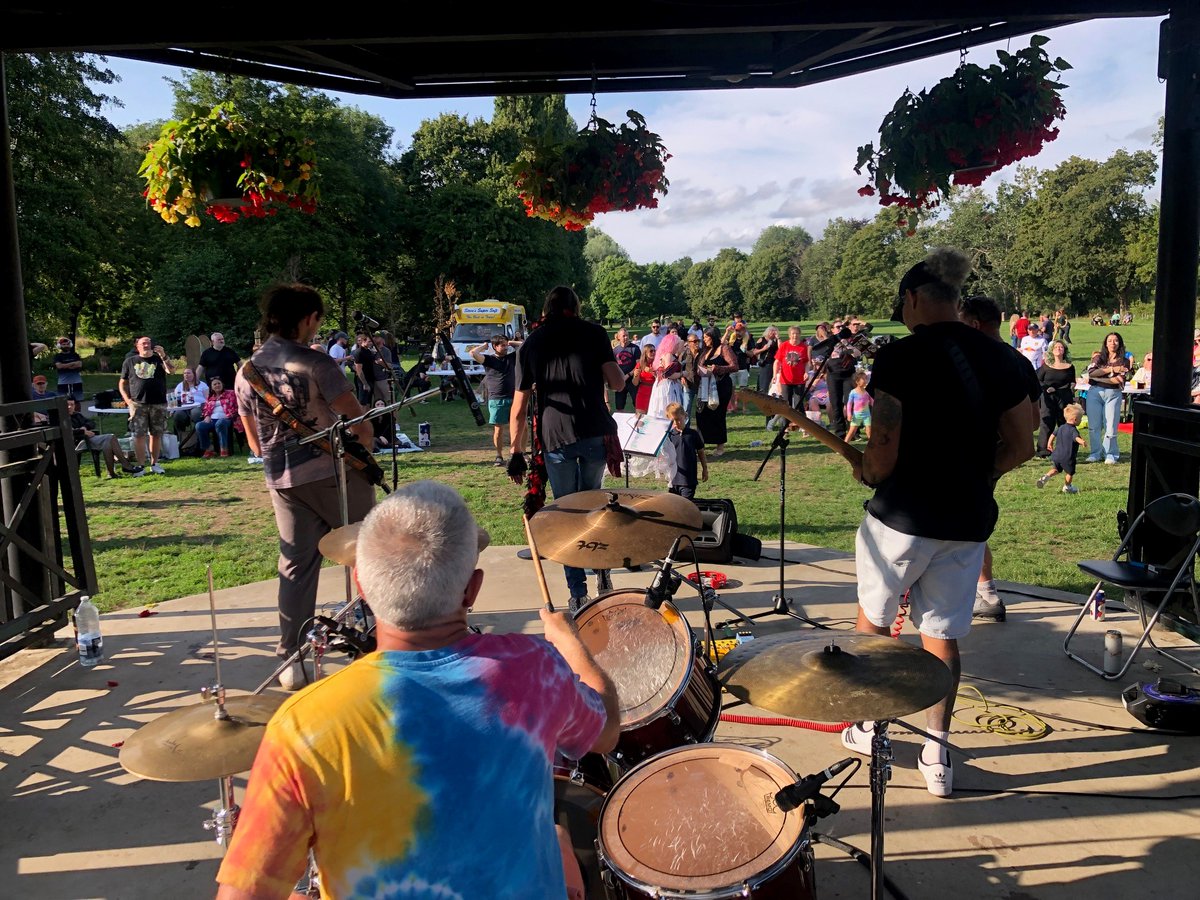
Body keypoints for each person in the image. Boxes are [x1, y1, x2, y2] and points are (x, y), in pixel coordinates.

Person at [215, 481, 619, 900]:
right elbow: (605, 731)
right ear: (472, 589)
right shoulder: (537, 668)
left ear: (363, 586)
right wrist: (570, 643)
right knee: (557, 836)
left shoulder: (303, 727)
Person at [841, 249, 1033, 797]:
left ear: (914, 298)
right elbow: (1022, 444)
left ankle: (868, 727)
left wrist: (870, 470)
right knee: (942, 635)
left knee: (874, 625)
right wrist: (976, 476)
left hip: (901, 517)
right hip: (967, 521)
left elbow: (882, 448)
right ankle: (938, 754)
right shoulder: (1004, 359)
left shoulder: (901, 357)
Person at [235, 284, 376, 690]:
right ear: (309, 319)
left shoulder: (246, 372)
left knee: (295, 567)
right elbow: (358, 423)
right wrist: (364, 452)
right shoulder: (317, 364)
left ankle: (290, 660)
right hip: (334, 476)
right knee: (371, 554)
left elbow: (254, 443)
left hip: (281, 480)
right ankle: (390, 637)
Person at [509, 286, 625, 610]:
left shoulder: (531, 344)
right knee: (593, 507)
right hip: (594, 433)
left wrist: (515, 451)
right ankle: (602, 572)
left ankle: (577, 594)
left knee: (566, 515)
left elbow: (519, 407)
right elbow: (617, 383)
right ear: (576, 306)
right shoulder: (594, 333)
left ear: (546, 308)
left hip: (555, 437)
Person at [956, 294, 1041, 623]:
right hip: (999, 455)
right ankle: (982, 591)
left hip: (970, 456)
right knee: (971, 523)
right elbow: (1033, 421)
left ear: (974, 323)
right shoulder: (1018, 360)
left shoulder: (973, 360)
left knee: (964, 527)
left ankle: (985, 593)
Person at [119, 336, 173, 476]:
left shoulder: (158, 359)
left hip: (158, 403)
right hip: (138, 404)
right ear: (137, 346)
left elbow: (171, 371)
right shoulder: (130, 361)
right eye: (143, 343)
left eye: (148, 343)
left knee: (156, 434)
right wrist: (128, 401)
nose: (146, 345)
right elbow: (122, 383)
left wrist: (163, 355)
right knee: (139, 435)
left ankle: (154, 464)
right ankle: (141, 465)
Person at [469, 334, 521, 467]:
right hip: (497, 399)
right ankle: (499, 456)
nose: (505, 347)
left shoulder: (512, 357)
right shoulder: (489, 360)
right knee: (499, 429)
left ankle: (518, 453)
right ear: (495, 346)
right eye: (502, 345)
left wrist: (511, 342)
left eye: (505, 345)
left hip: (514, 397)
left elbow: (525, 346)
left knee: (521, 427)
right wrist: (484, 346)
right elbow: (473, 353)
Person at [1084, 332, 1131, 465]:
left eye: (1116, 341)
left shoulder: (1124, 361)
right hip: (1094, 393)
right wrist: (1111, 369)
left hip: (1113, 394)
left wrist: (1098, 376)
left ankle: (1110, 453)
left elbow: (1119, 380)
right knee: (1094, 425)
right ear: (1106, 343)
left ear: (1120, 343)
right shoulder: (1099, 358)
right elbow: (1090, 372)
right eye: (1110, 340)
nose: (1112, 343)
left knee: (1110, 425)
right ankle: (1095, 453)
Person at [67, 399, 143, 478]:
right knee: (110, 438)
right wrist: (82, 432)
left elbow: (91, 423)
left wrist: (85, 427)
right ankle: (125, 465)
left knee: (108, 443)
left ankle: (112, 473)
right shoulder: (62, 418)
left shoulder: (77, 415)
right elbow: (67, 431)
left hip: (87, 439)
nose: (70, 407)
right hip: (78, 442)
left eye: (72, 405)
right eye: (67, 404)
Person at [694, 327, 738, 456]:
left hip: (721, 386)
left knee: (718, 414)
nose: (704, 339)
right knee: (701, 413)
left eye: (707, 337)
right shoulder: (705, 351)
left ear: (713, 337)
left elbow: (735, 366)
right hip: (705, 386)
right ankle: (701, 443)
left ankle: (720, 446)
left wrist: (717, 368)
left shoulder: (724, 348)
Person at [1036, 340, 1076, 458]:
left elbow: (1072, 381)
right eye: (1056, 347)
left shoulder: (1070, 366)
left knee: (1064, 422)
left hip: (1065, 397)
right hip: (1048, 397)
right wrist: (1046, 388)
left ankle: (1065, 449)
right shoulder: (1046, 366)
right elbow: (1037, 380)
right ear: (1052, 351)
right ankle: (1043, 449)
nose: (1059, 349)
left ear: (1064, 350)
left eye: (1061, 347)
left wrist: (1072, 387)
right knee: (1047, 422)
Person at [1036, 404, 1086, 493]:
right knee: (1070, 473)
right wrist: (1082, 441)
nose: (1081, 420)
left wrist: (1049, 443)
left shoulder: (1061, 427)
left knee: (1056, 469)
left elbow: (1052, 435)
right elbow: (1076, 438)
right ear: (1075, 420)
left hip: (1057, 455)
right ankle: (1067, 487)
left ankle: (1046, 477)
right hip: (1067, 457)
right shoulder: (1073, 430)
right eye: (1080, 419)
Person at [196, 377, 240, 458]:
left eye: (219, 383)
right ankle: (209, 449)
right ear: (212, 387)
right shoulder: (210, 397)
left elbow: (236, 406)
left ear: (222, 385)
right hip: (212, 420)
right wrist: (207, 416)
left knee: (220, 423)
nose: (217, 385)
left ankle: (224, 449)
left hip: (227, 419)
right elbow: (206, 409)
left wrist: (230, 415)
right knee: (199, 426)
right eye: (214, 384)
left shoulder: (230, 393)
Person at [773, 326, 810, 422]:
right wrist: (774, 375)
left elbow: (807, 362)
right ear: (789, 335)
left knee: (799, 403)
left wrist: (806, 372)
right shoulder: (784, 345)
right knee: (786, 404)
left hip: (799, 379)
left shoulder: (803, 347)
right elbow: (777, 362)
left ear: (800, 335)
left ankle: (803, 425)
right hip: (785, 379)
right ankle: (785, 426)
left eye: (797, 333)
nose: (795, 336)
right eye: (793, 333)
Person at [647, 332, 684, 419]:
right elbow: (667, 374)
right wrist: (682, 374)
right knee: (667, 407)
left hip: (662, 384)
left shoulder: (663, 354)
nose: (678, 346)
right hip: (667, 386)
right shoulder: (668, 355)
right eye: (676, 344)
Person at [171, 367, 210, 439]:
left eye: (188, 373)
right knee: (177, 414)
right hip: (184, 407)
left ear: (194, 374)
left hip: (199, 406)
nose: (186, 375)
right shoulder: (180, 385)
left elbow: (207, 399)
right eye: (185, 373)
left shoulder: (202, 385)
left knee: (196, 413)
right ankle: (180, 438)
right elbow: (175, 399)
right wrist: (172, 410)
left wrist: (208, 410)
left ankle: (199, 436)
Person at [611, 327, 639, 412]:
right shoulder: (616, 350)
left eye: (627, 335)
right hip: (620, 380)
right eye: (623, 336)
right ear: (618, 337)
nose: (626, 337)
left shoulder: (635, 348)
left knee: (637, 404)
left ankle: (638, 423)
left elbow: (638, 365)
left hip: (632, 380)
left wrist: (629, 374)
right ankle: (621, 424)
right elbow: (613, 365)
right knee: (619, 406)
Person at [844, 370, 872, 442]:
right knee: (851, 432)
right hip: (857, 415)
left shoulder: (866, 392)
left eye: (866, 378)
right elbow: (849, 404)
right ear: (857, 381)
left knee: (869, 431)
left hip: (866, 415)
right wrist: (849, 414)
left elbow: (872, 401)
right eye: (864, 379)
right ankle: (843, 446)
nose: (866, 380)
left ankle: (873, 448)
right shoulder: (853, 392)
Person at [53, 337, 84, 402]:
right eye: (64, 344)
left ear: (70, 345)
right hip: (63, 382)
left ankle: (77, 412)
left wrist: (65, 365)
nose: (66, 346)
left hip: (76, 381)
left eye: (67, 344)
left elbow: (79, 364)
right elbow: (59, 366)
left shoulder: (75, 355)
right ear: (60, 346)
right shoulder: (58, 356)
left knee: (77, 401)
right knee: (63, 401)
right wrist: (73, 363)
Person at [633, 344, 656, 414]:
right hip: (642, 392)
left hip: (654, 392)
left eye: (655, 351)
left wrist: (653, 372)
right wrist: (636, 375)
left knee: (653, 417)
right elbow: (635, 383)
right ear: (645, 353)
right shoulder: (640, 364)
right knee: (640, 417)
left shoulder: (658, 363)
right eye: (651, 351)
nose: (653, 352)